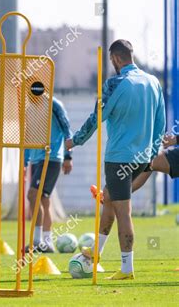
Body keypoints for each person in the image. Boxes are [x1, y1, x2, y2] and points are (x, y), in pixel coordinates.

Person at [65, 40, 166, 280]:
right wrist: (151, 153)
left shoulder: (115, 83)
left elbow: (96, 117)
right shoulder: (153, 82)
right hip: (142, 157)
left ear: (115, 59)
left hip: (119, 158)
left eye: (111, 61)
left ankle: (126, 269)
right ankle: (96, 252)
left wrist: (75, 141)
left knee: (123, 211)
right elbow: (160, 122)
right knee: (108, 199)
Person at [26, 97, 73, 253]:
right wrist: (25, 162)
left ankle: (37, 241)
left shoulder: (54, 104)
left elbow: (67, 129)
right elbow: (28, 135)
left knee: (33, 195)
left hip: (51, 158)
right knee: (44, 200)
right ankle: (47, 242)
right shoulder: (29, 107)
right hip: (35, 159)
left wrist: (68, 156)